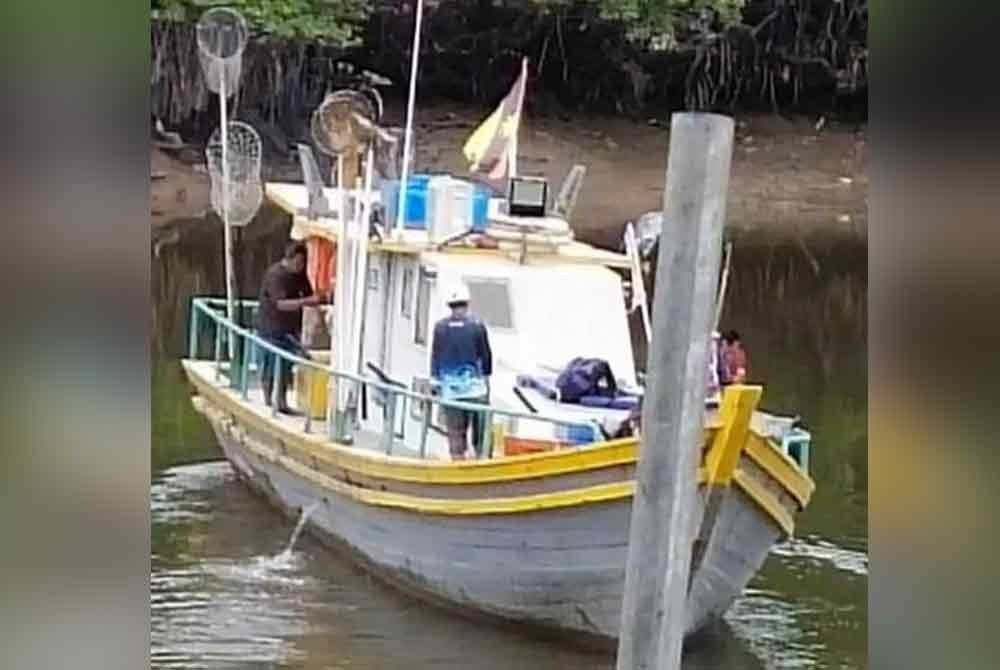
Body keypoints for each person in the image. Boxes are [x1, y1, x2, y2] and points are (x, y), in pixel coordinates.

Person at [257, 241, 329, 413]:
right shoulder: (276, 276)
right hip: (271, 327)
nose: (300, 267)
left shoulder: (299, 275)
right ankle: (269, 396)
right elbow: (281, 304)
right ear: (288, 259)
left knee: (289, 362)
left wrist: (321, 300)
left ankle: (281, 400)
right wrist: (305, 302)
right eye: (297, 263)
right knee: (272, 361)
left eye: (302, 263)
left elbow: (310, 295)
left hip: (290, 329)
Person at [430, 284, 493, 460]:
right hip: (476, 389)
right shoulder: (477, 325)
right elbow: (486, 355)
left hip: (451, 390)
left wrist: (435, 382)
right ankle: (482, 463)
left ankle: (457, 463)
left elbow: (436, 356)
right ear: (467, 303)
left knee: (456, 432)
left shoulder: (440, 327)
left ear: (449, 305)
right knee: (481, 431)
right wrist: (486, 377)